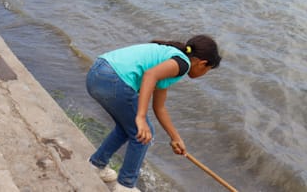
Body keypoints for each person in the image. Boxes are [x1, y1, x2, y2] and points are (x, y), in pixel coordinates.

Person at [86, 35, 222, 191]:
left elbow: (159, 107)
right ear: (202, 63)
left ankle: (97, 165)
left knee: (126, 128)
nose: (204, 74)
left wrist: (175, 138)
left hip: (97, 73)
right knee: (143, 135)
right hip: (114, 80)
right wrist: (141, 117)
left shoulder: (170, 59)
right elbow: (150, 75)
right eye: (207, 70)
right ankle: (125, 185)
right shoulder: (182, 64)